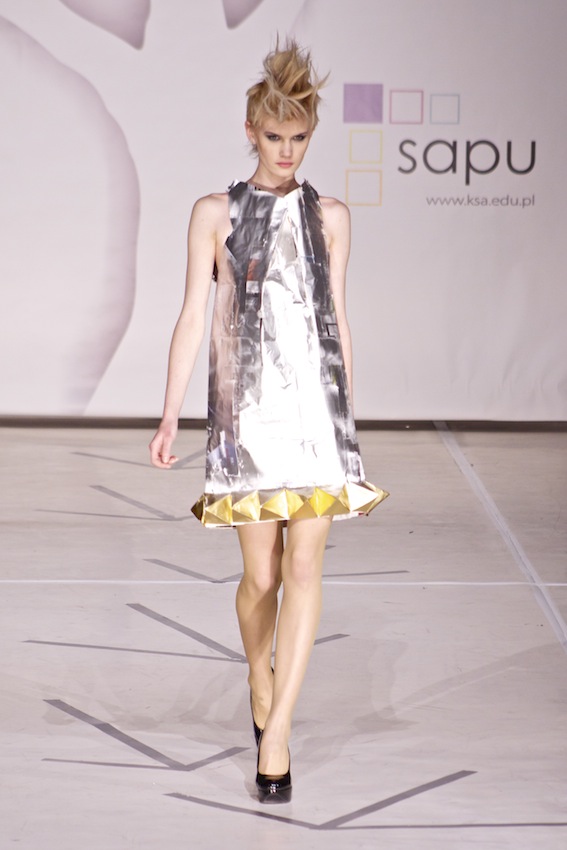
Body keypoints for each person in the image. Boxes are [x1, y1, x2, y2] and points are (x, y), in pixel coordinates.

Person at [149, 40, 388, 804]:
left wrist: (349, 425)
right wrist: (168, 416)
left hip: (314, 416)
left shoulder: (331, 217)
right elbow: (193, 316)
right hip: (246, 418)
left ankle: (277, 730)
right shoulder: (213, 214)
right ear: (250, 131)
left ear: (310, 135)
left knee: (304, 571)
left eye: (299, 137)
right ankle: (260, 676)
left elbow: (336, 320)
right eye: (274, 135)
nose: (286, 151)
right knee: (260, 576)